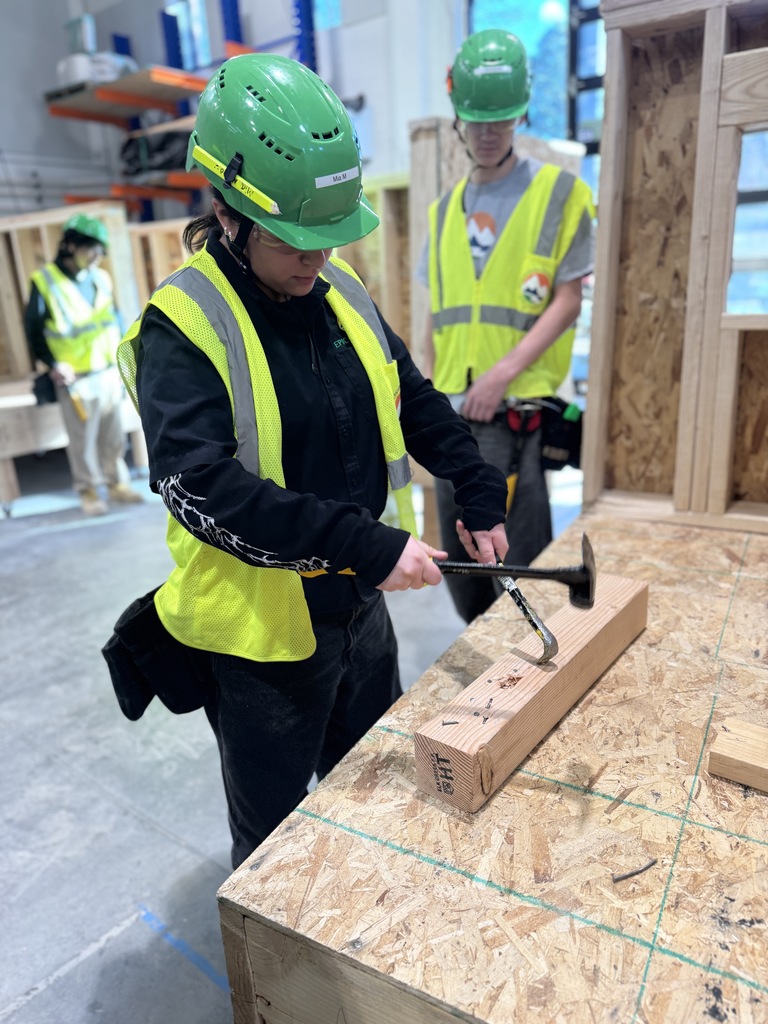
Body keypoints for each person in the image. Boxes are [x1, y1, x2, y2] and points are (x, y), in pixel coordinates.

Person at [113, 52, 509, 869]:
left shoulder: (337, 287)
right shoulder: (182, 326)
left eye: (328, 240)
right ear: (226, 210)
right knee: (276, 851)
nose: (316, 260)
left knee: (375, 800)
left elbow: (411, 394)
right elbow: (203, 486)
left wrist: (473, 481)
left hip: (360, 611)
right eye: (294, 241)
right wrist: (363, 543)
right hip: (263, 644)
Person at [417, 29, 595, 625]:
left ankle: (527, 661)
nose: (488, 133)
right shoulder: (442, 212)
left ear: (521, 112)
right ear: (458, 117)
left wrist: (500, 375)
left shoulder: (560, 193)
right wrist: (423, 397)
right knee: (461, 566)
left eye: (501, 119)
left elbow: (568, 300)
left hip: (512, 411)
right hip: (451, 413)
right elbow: (437, 317)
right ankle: (489, 663)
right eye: (476, 121)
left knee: (518, 565)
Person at [24, 213, 144, 516]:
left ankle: (117, 484)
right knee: (83, 442)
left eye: (100, 250)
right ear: (70, 246)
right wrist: (53, 363)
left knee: (113, 436)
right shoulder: (45, 282)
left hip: (107, 372)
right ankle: (88, 491)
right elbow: (33, 331)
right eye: (91, 248)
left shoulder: (100, 278)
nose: (97, 256)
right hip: (75, 379)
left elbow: (113, 320)